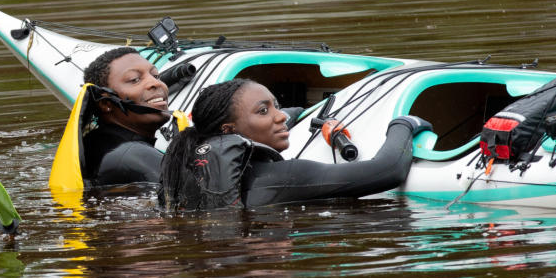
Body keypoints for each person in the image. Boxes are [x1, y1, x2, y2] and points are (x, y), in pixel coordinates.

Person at [159, 79, 432, 210]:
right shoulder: (284, 177)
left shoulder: (193, 166)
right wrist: (404, 124)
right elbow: (386, 170)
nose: (278, 116)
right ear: (229, 131)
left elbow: (281, 116)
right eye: (263, 111)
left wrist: (291, 113)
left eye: (275, 105)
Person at [80, 47, 170, 187]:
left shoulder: (94, 141)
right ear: (106, 103)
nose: (156, 83)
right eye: (135, 79)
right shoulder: (133, 154)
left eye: (156, 75)